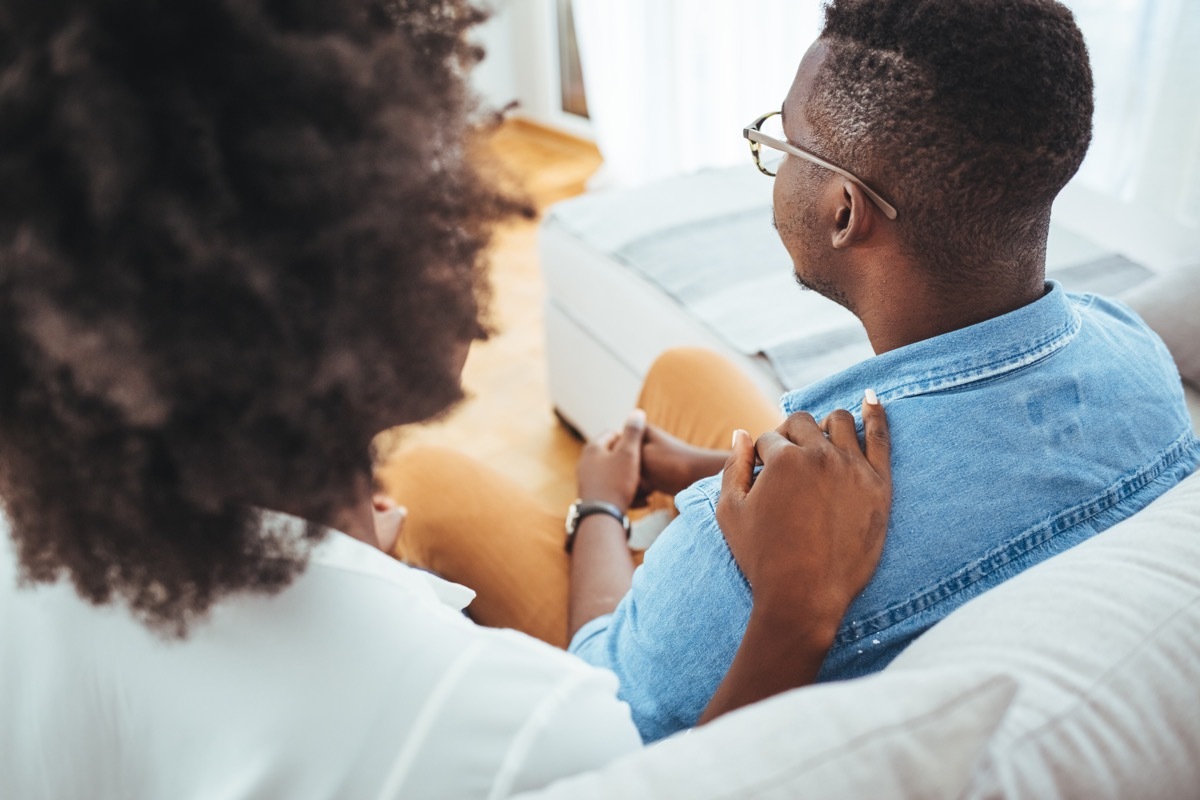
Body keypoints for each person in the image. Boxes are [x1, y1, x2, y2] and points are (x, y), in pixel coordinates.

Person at [0, 0, 896, 797]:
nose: (470, 223)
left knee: (669, 378)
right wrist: (797, 605)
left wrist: (346, 548)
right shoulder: (498, 725)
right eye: (432, 195)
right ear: (318, 288)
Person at [387, 0, 1200, 744]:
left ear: (843, 209)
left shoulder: (729, 563)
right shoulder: (1138, 357)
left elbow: (613, 710)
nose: (772, 160)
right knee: (687, 369)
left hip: (683, 666)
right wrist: (710, 470)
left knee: (428, 475)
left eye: (782, 140)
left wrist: (598, 504)